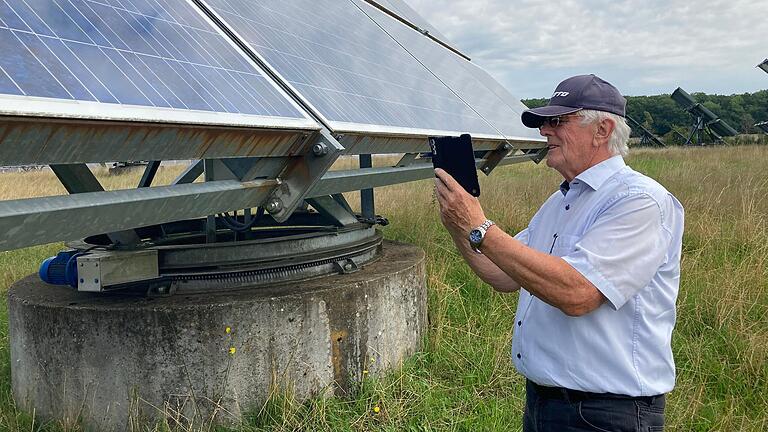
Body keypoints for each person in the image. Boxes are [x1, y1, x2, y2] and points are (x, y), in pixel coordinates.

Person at [434, 74, 684, 431]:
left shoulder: (639, 201)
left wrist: (479, 227)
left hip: (606, 414)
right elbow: (502, 273)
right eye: (544, 123)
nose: (544, 132)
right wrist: (458, 224)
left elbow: (578, 293)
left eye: (557, 122)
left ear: (602, 129)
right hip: (545, 405)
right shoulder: (561, 201)